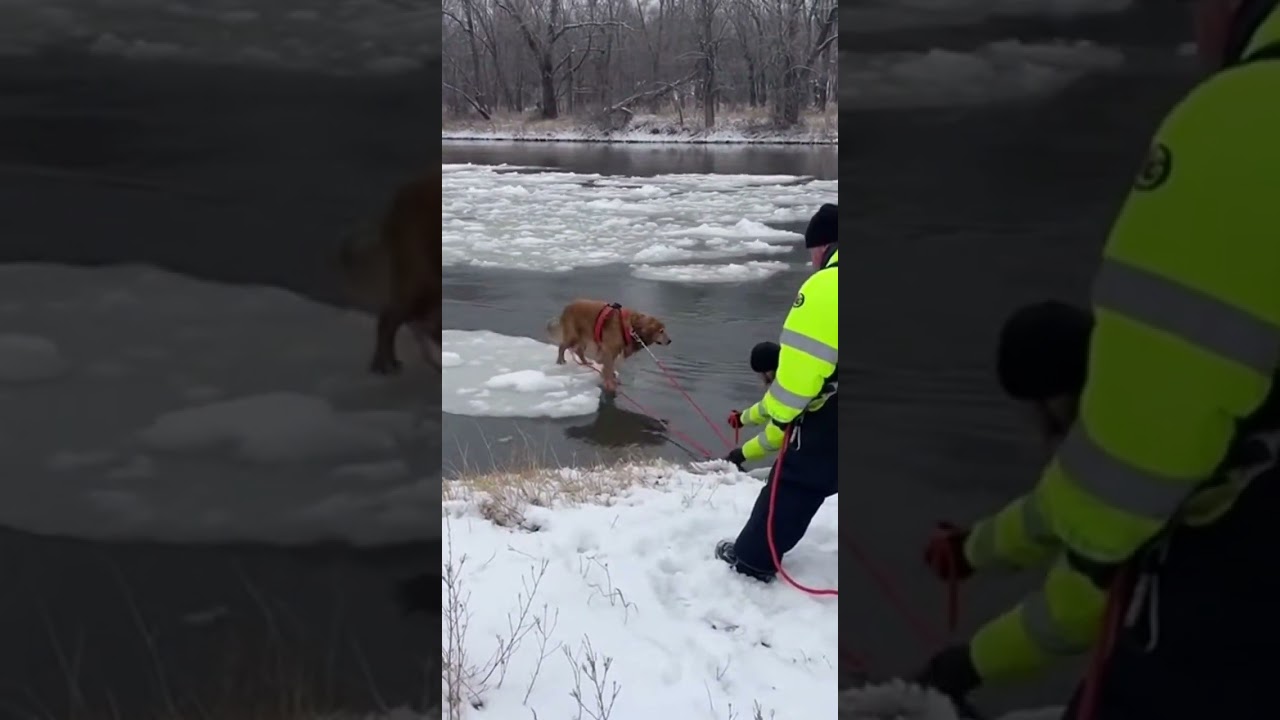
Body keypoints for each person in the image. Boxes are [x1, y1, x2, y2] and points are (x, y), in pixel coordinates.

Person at [911, 2, 1280, 718]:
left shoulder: (1241, 117)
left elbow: (1093, 562)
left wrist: (964, 665)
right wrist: (976, 550)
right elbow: (1067, 501)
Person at [715, 203, 839, 583]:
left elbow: (788, 399)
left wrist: (746, 449)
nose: (813, 262)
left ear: (824, 246)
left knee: (796, 479)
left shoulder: (825, 287)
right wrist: (747, 417)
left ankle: (753, 559)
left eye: (812, 252)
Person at [723, 341, 782, 469]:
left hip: (818, 449)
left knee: (772, 486)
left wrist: (742, 454)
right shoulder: (787, 382)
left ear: (768, 371)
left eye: (761, 373)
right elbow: (766, 407)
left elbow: (774, 437)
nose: (761, 378)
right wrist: (742, 418)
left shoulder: (787, 391)